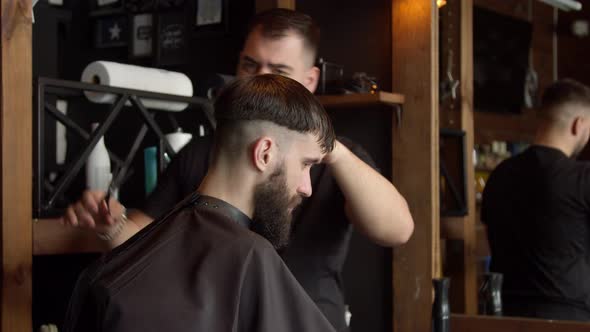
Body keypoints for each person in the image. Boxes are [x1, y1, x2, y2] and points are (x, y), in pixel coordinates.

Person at [63, 8, 414, 330]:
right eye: (250, 65)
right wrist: (112, 226)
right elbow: (149, 241)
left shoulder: (339, 160)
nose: (259, 80)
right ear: (261, 154)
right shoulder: (201, 154)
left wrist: (319, 144)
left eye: (278, 72)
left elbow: (398, 229)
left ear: (310, 81)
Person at [64, 74, 338, 332]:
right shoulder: (251, 258)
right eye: (305, 164)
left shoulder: (108, 271)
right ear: (264, 153)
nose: (307, 187)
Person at [481, 79, 590, 321]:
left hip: (506, 316)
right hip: (570, 319)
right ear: (578, 125)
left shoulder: (500, 175)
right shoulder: (582, 178)